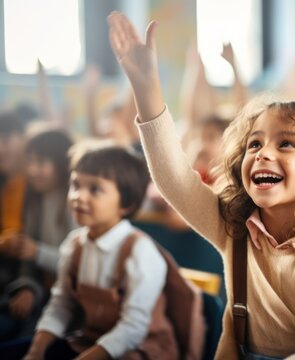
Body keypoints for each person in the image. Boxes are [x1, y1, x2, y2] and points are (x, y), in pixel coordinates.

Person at [108, 11, 295, 359]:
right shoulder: (233, 228)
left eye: (285, 143)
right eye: (254, 144)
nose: (262, 154)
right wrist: (145, 88)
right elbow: (175, 179)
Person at [23, 144, 178, 360]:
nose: (79, 196)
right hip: (89, 343)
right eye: (75, 185)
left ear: (126, 203)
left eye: (94, 189)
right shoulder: (75, 245)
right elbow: (62, 304)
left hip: (140, 351)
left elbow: (133, 328)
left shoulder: (139, 252)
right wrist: (36, 351)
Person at [3, 130, 76, 278]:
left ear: (62, 163)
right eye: (29, 161)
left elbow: (78, 263)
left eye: (41, 162)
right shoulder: (35, 200)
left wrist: (37, 252)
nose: (32, 170)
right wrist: (27, 287)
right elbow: (27, 261)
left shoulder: (75, 203)